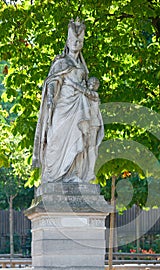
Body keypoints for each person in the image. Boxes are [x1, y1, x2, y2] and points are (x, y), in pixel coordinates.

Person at [32, 17, 104, 183]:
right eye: (73, 40)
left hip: (79, 107)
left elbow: (88, 86)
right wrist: (50, 97)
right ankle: (53, 177)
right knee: (55, 138)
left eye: (79, 40)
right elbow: (52, 82)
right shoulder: (61, 62)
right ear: (68, 41)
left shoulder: (82, 67)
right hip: (62, 106)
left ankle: (74, 175)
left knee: (80, 138)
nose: (76, 43)